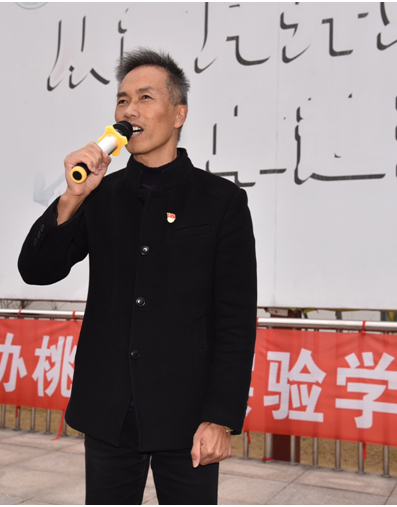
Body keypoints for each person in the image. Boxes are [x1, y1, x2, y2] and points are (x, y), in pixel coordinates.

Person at [18, 48, 257, 505]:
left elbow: (235, 319)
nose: (130, 111)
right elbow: (36, 270)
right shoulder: (100, 194)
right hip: (108, 409)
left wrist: (220, 417)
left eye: (145, 98)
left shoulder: (220, 201)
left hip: (187, 416)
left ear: (179, 113)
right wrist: (72, 197)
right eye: (122, 100)